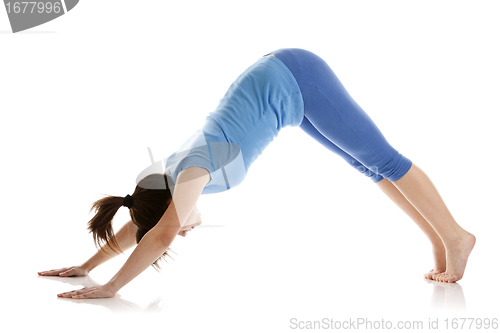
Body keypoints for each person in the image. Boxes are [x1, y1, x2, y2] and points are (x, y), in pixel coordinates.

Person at [38, 48, 475, 299]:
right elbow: (143, 220)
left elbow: (161, 231)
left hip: (296, 76)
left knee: (386, 159)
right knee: (367, 165)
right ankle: (438, 239)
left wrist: (111, 287)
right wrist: (86, 265)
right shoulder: (163, 181)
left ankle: (455, 236)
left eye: (178, 225)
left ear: (172, 207)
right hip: (285, 93)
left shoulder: (192, 171)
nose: (187, 231)